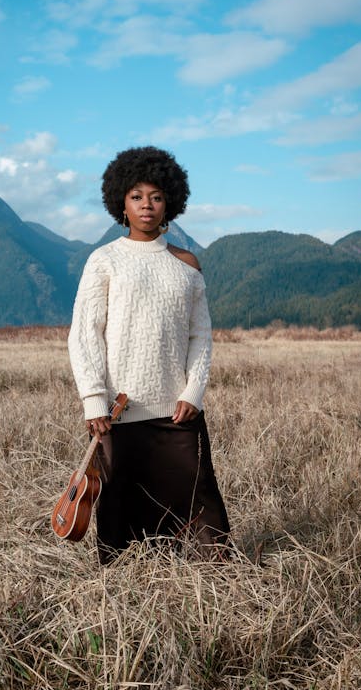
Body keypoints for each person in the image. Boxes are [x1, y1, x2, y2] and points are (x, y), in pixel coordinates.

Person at [67, 146, 230, 564]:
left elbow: (201, 337)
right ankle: (126, 591)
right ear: (121, 201)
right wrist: (93, 398)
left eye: (156, 196)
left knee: (201, 513)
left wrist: (193, 393)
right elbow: (85, 334)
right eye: (137, 196)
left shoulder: (187, 264)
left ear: (169, 202)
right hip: (117, 415)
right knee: (121, 514)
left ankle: (212, 586)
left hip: (177, 414)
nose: (146, 206)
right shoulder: (103, 261)